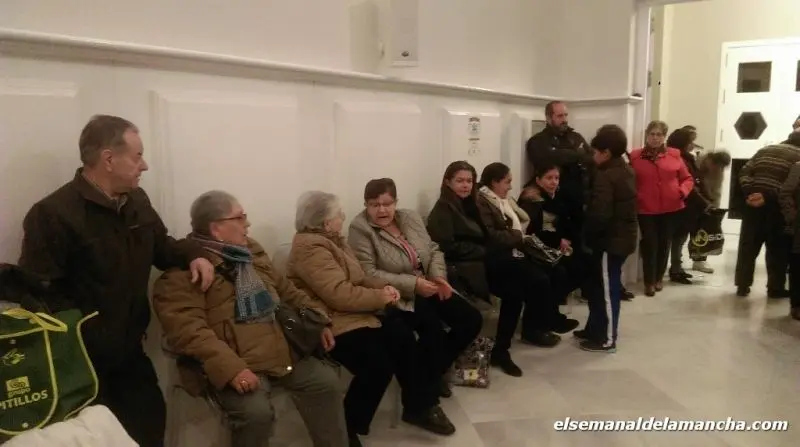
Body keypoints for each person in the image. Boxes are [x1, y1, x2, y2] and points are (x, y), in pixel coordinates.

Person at [17, 115, 215, 447]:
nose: (145, 165)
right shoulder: (53, 214)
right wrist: (89, 333)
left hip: (130, 354)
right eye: (137, 156)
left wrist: (195, 254)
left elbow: (162, 247)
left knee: (149, 428)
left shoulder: (137, 201)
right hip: (79, 366)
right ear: (108, 159)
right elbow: (38, 293)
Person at [152, 190, 349, 447]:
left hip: (278, 351)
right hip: (233, 362)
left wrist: (317, 320)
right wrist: (232, 369)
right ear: (216, 228)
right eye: (240, 217)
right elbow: (189, 332)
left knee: (326, 382)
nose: (248, 223)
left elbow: (286, 290)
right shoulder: (183, 273)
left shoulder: (250, 252)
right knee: (256, 414)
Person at [286, 191, 454, 440]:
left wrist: (386, 288)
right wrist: (380, 297)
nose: (343, 216)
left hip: (352, 313)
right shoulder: (310, 249)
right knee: (377, 366)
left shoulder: (333, 240)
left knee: (404, 338)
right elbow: (339, 294)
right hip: (330, 322)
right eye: (339, 214)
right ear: (325, 222)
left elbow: (360, 277)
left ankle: (419, 406)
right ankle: (346, 429)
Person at [348, 178, 482, 407]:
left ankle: (432, 372)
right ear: (365, 205)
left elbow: (433, 249)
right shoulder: (360, 229)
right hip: (397, 295)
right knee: (432, 330)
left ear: (396, 202)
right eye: (374, 205)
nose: (381, 210)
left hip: (429, 283)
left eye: (387, 204)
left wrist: (439, 277)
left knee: (471, 319)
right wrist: (414, 284)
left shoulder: (409, 217)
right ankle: (426, 387)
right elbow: (368, 274)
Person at [476, 163, 579, 350]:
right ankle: (533, 330)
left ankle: (546, 321)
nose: (510, 187)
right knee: (539, 278)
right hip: (499, 256)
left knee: (557, 271)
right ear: (494, 182)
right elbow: (495, 235)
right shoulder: (486, 202)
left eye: (557, 178)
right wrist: (519, 237)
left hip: (516, 249)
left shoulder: (501, 200)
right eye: (507, 182)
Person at [574, 125, 638, 352]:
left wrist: (588, 236)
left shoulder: (607, 176)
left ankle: (607, 339)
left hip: (610, 241)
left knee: (608, 291)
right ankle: (594, 328)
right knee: (598, 287)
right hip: (620, 237)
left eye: (595, 152)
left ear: (606, 153)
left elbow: (600, 213)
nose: (592, 156)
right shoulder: (625, 168)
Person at [630, 120, 694, 296]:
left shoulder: (674, 155)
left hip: (671, 207)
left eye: (659, 135)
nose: (655, 138)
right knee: (650, 243)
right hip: (646, 208)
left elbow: (687, 178)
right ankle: (649, 281)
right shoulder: (635, 157)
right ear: (647, 136)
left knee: (665, 243)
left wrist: (682, 191)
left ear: (664, 137)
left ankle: (659, 278)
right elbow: (629, 180)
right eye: (652, 134)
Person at [735, 129, 800, 297]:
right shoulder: (798, 157)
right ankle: (775, 287)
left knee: (748, 246)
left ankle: (742, 285)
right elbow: (790, 186)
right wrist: (767, 196)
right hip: (777, 207)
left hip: (752, 204)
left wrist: (749, 192)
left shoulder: (764, 150)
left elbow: (744, 171)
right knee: (777, 248)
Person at [518, 163, 583, 304]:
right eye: (549, 178)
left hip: (554, 244)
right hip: (536, 248)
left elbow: (566, 222)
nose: (554, 182)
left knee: (583, 262)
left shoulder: (557, 197)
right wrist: (559, 240)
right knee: (563, 271)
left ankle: (554, 305)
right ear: (538, 180)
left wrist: (566, 238)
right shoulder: (532, 200)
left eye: (556, 178)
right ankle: (550, 308)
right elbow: (532, 230)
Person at [666, 128, 701, 284]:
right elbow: (688, 182)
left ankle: (677, 267)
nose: (692, 145)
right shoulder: (680, 159)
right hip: (681, 203)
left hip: (685, 203)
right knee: (678, 238)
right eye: (690, 141)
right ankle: (675, 269)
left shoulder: (686, 158)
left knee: (679, 238)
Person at [689, 149, 732, 273]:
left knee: (704, 232)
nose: (720, 169)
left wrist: (714, 207)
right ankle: (691, 260)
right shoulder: (699, 163)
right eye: (718, 166)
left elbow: (716, 189)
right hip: (694, 202)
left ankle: (699, 260)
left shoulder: (718, 170)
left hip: (708, 204)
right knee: (693, 232)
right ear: (713, 161)